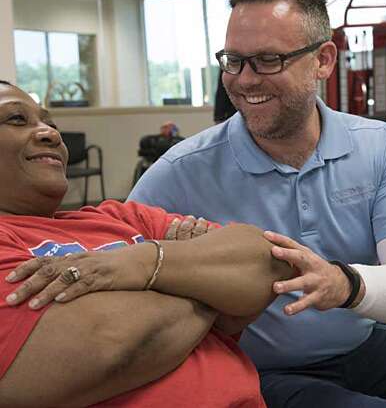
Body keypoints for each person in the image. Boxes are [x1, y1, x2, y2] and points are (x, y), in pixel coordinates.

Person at [129, 0, 386, 407]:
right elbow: (115, 270)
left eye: (268, 60)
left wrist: (343, 284)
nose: (245, 80)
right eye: (234, 60)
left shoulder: (381, 146)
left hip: (359, 346)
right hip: (252, 369)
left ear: (323, 60)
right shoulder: (180, 171)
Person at [0, 80, 294, 407]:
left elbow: (267, 262)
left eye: (49, 122)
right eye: (15, 119)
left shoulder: (119, 216)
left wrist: (142, 263)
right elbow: (111, 344)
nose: (51, 134)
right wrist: (208, 286)